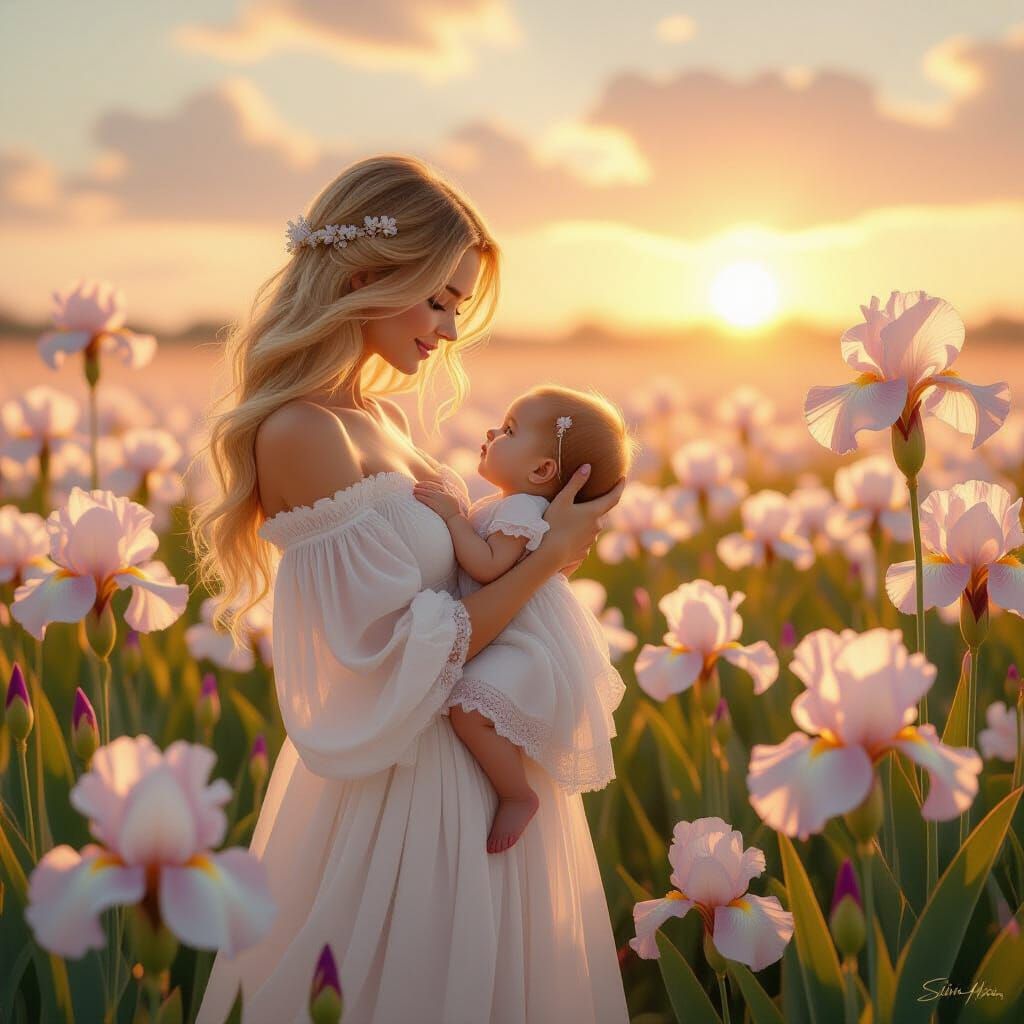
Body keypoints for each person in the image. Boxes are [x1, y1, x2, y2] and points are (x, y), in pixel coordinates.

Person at [189, 154, 629, 1023]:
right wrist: (547, 558)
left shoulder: (384, 420)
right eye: (437, 299)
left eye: (458, 306)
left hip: (479, 771)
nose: (448, 330)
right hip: (401, 790)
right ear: (362, 278)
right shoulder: (299, 433)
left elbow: (463, 597)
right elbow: (407, 653)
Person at [413, 384, 635, 854]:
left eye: (509, 430)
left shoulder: (518, 507)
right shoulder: (513, 503)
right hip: (512, 633)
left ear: (541, 469)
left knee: (469, 711)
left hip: (524, 642)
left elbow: (489, 566)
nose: (493, 431)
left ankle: (517, 794)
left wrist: (453, 519)